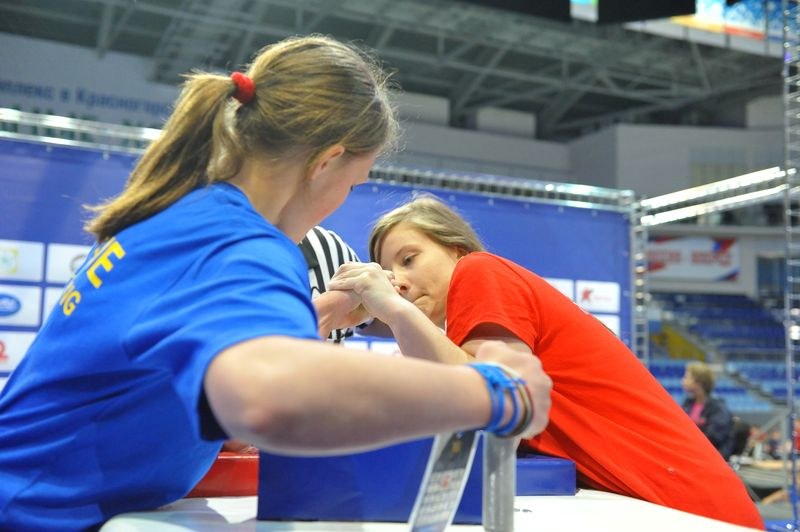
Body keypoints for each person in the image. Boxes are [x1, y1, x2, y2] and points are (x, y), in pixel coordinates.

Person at [0, 36, 552, 531]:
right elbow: (271, 401)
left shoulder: (184, 215)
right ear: (327, 160)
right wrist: (494, 391)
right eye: (354, 183)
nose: (343, 199)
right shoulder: (243, 244)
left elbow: (176, 341)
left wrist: (322, 315)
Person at [328, 193, 764, 530]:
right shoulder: (461, 328)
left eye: (409, 259)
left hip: (687, 507)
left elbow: (487, 394)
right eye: (389, 274)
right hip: (658, 503)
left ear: (457, 249)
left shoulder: (480, 271)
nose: (399, 283)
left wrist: (397, 314)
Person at [681, 361, 735, 459]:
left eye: (687, 377)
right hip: (690, 453)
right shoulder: (687, 404)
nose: (683, 381)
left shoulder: (718, 407)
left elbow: (714, 437)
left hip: (711, 457)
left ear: (698, 382)